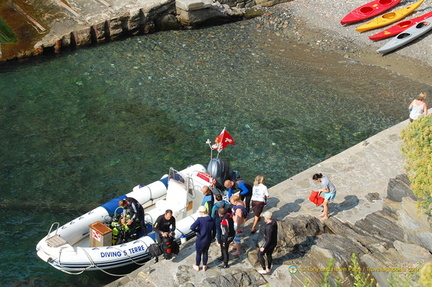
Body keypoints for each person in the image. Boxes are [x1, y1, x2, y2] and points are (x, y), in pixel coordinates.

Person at [190, 205, 215, 271]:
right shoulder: (212, 219)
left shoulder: (200, 219)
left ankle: (197, 265)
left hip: (200, 238)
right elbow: (214, 229)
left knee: (198, 252)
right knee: (205, 252)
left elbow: (192, 227)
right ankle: (204, 265)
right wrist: (213, 237)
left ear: (202, 212)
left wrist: (197, 231)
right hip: (208, 238)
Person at [257, 211, 278, 275]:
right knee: (269, 254)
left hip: (269, 243)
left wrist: (264, 247)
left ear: (267, 218)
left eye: (264, 217)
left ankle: (264, 269)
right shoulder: (274, 222)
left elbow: (268, 239)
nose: (264, 218)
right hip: (274, 242)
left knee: (260, 254)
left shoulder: (268, 227)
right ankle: (269, 268)